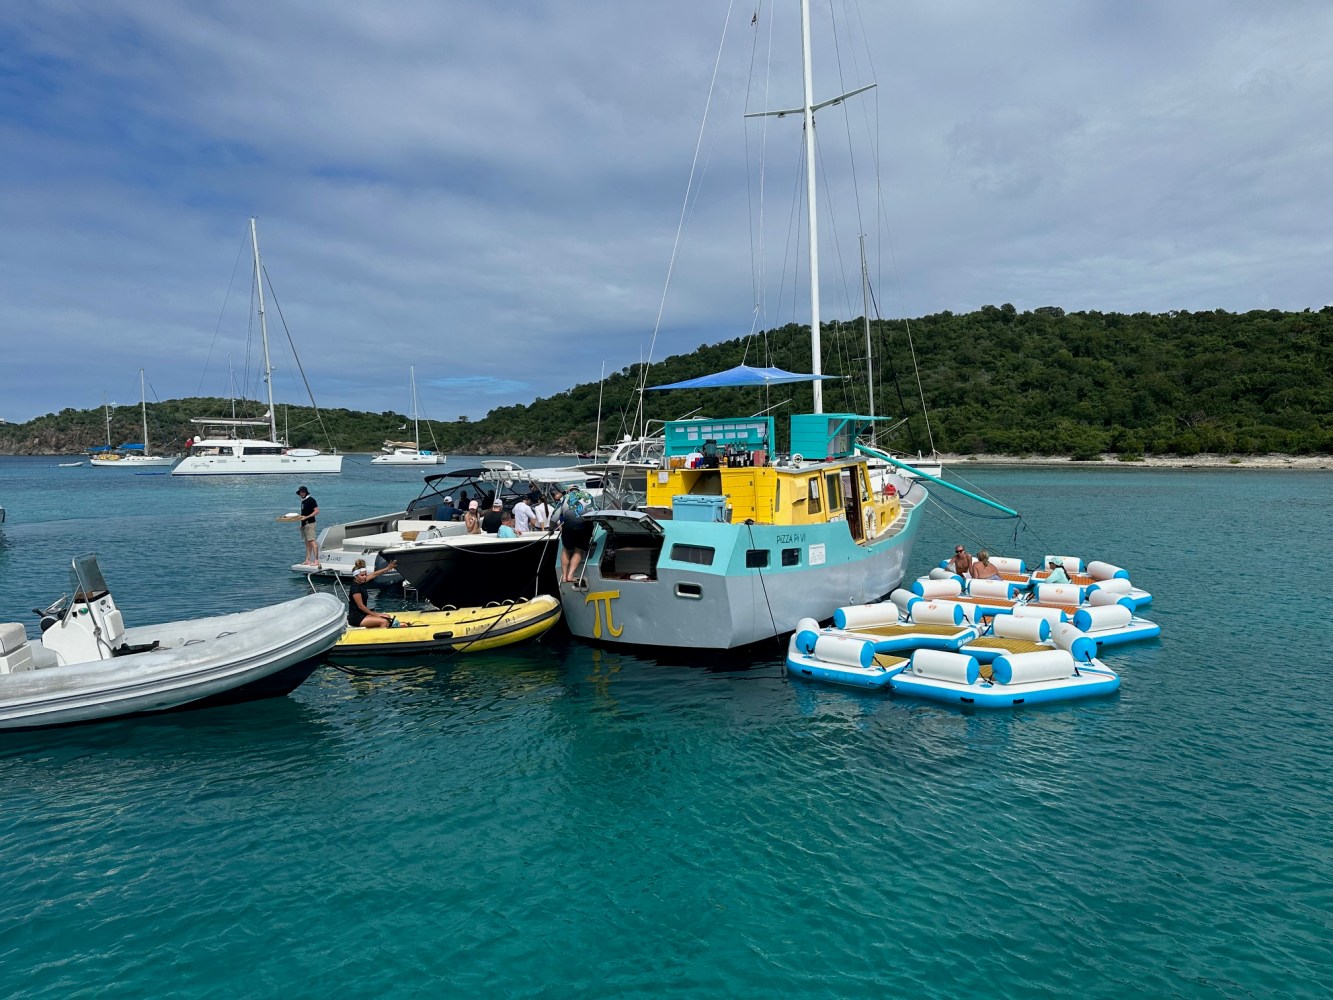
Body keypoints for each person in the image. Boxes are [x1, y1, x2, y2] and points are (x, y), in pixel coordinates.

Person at [347, 559, 399, 628]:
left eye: (365, 574)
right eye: (362, 575)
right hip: (356, 618)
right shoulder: (355, 588)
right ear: (356, 576)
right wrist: (375, 614)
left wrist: (387, 568)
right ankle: (380, 637)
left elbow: (374, 574)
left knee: (387, 616)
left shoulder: (362, 582)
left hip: (363, 614)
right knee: (384, 622)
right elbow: (361, 606)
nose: (364, 577)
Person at [559, 489, 594, 584]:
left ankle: (564, 577)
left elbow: (556, 515)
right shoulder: (587, 497)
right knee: (578, 550)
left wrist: (551, 528)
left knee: (566, 549)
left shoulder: (565, 499)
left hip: (568, 526)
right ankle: (570, 575)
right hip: (584, 526)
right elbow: (595, 510)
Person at [296, 486, 320, 565]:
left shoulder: (311, 500)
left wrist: (307, 517)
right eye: (300, 492)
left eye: (303, 492)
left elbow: (316, 511)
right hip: (305, 524)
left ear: (306, 492)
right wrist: (302, 525)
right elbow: (303, 513)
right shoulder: (303, 501)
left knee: (312, 542)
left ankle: (316, 560)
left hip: (310, 523)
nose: (301, 493)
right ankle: (308, 560)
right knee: (307, 543)